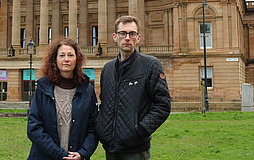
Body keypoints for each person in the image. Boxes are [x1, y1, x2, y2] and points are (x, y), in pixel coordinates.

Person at [96, 15, 171, 160]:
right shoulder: (107, 68)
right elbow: (104, 103)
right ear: (115, 36)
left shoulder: (151, 65)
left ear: (138, 38)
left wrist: (140, 131)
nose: (127, 38)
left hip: (136, 149)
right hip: (111, 147)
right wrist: (102, 129)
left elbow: (163, 105)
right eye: (123, 33)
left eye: (132, 33)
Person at [27, 38, 98, 160]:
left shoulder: (87, 90)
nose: (66, 59)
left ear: (77, 59)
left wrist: (83, 153)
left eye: (70, 55)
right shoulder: (43, 88)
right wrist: (60, 154)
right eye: (62, 55)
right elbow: (34, 128)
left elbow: (93, 128)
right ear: (55, 60)